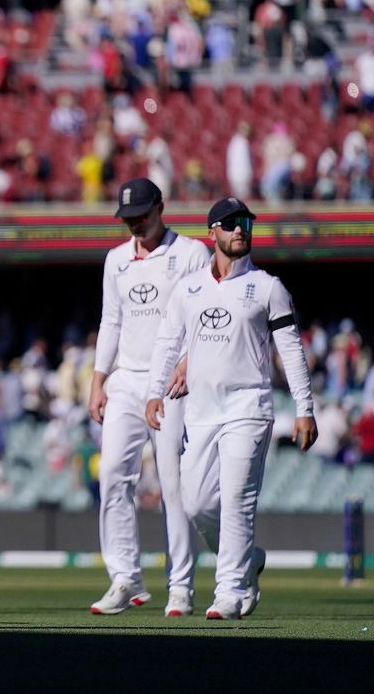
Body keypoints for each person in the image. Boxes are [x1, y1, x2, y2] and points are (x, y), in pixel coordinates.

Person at [145, 197, 317, 619]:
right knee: (197, 504)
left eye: (243, 223)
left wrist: (304, 407)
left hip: (249, 406)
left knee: (236, 498)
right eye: (229, 223)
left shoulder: (268, 287)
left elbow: (290, 351)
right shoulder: (189, 289)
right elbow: (169, 343)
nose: (239, 229)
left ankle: (229, 591)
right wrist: (153, 392)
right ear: (212, 233)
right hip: (201, 412)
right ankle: (247, 559)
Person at [87, 178, 211, 617]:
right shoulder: (116, 260)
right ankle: (125, 577)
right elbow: (111, 322)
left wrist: (187, 362)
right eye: (129, 219)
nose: (136, 225)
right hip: (126, 379)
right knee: (113, 477)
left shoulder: (193, 253)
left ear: (162, 207)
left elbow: (208, 312)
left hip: (171, 382)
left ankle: (181, 586)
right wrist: (99, 379)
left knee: (171, 483)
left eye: (143, 215)